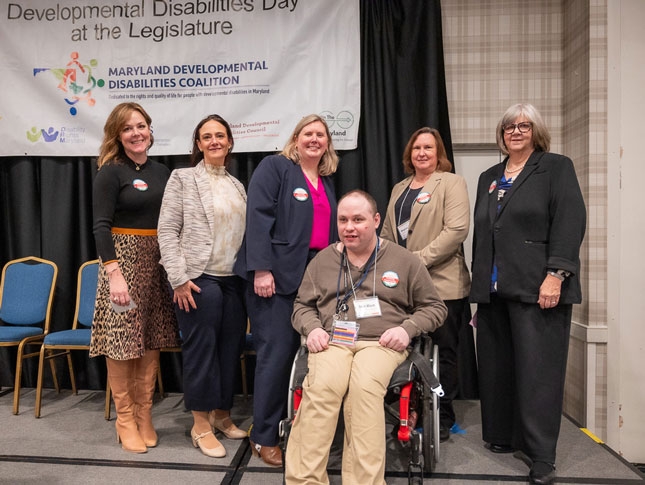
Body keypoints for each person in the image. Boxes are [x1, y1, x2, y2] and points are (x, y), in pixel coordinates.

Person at [285, 190, 447, 485]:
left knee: (363, 389)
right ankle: (304, 481)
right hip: (334, 340)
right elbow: (301, 307)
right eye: (343, 220)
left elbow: (435, 308)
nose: (350, 227)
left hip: (382, 343)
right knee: (321, 388)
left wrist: (406, 328)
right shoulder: (322, 261)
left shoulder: (404, 259)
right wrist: (313, 328)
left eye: (358, 220)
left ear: (375, 220)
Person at [470, 103, 586, 485]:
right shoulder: (489, 176)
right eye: (509, 126)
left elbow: (570, 222)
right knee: (498, 367)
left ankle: (541, 456)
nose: (515, 131)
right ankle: (504, 436)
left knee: (538, 374)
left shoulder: (555, 167)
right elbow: (485, 234)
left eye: (524, 125)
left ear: (536, 131)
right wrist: (480, 292)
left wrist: (556, 275)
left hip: (539, 289)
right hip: (495, 290)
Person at [233, 114, 339, 467]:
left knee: (314, 359)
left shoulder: (324, 180)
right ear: (295, 139)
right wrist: (261, 269)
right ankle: (262, 436)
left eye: (320, 135)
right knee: (275, 358)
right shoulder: (275, 167)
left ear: (327, 143)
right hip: (274, 280)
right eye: (307, 133)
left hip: (314, 280)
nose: (314, 139)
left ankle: (300, 429)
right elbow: (258, 217)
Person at [90, 102, 180, 453]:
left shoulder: (162, 172)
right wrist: (114, 273)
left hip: (157, 262)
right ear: (118, 135)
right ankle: (125, 419)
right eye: (127, 128)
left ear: (149, 129)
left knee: (151, 340)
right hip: (122, 263)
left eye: (141, 126)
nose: (136, 133)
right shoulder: (110, 172)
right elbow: (101, 226)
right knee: (122, 341)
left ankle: (145, 415)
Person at [158, 114, 247, 458]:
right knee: (201, 351)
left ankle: (222, 415)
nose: (214, 141)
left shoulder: (238, 185)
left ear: (229, 142)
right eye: (206, 136)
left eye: (220, 135)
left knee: (230, 348)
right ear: (198, 144)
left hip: (233, 280)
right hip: (196, 279)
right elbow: (166, 230)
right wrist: (178, 279)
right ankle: (200, 424)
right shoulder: (182, 178)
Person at [381, 127, 472, 442]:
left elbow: (456, 230)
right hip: (404, 288)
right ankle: (411, 412)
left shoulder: (451, 183)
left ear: (438, 154)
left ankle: (442, 415)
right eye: (416, 147)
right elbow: (389, 235)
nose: (422, 153)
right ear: (410, 154)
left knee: (444, 352)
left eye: (428, 148)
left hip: (443, 284)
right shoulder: (400, 188)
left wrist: (414, 261)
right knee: (408, 352)